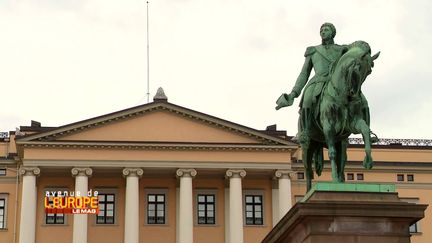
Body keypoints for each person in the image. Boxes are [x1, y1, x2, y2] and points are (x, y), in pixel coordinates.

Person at [276, 22, 348, 142]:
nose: (323, 32)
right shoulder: (313, 51)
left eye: (326, 30)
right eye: (321, 30)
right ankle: (304, 131)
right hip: (317, 83)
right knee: (308, 99)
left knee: (359, 99)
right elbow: (304, 73)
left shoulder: (342, 50)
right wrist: (293, 93)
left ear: (333, 33)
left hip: (337, 83)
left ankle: (365, 129)